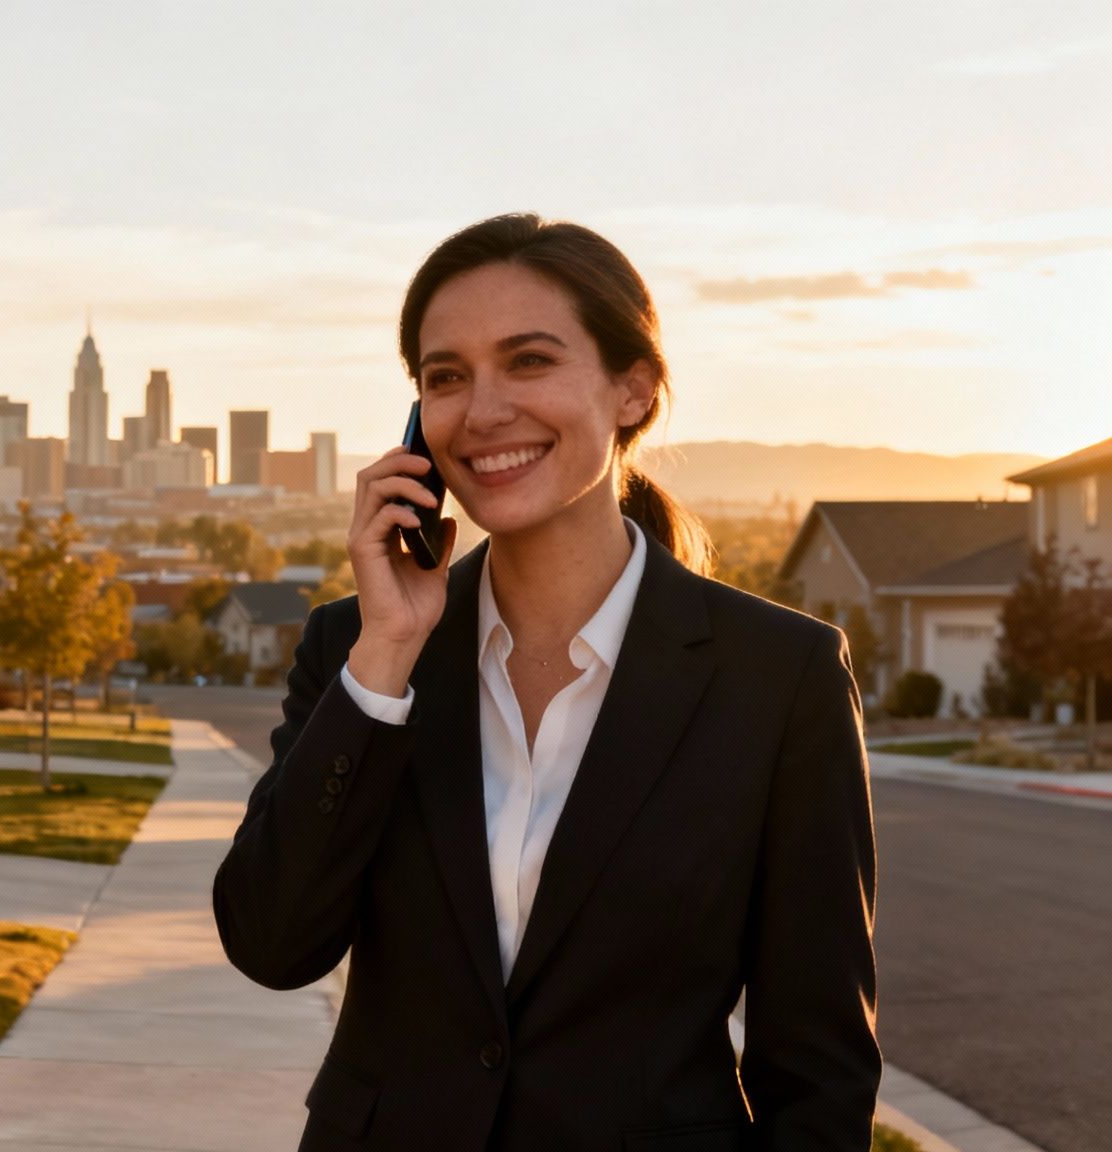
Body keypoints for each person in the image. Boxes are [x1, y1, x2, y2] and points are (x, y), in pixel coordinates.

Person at [213, 213, 879, 1151]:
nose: (482, 412)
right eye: (445, 378)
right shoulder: (358, 651)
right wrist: (386, 656)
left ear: (634, 389)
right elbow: (270, 945)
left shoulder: (778, 679)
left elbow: (819, 1068)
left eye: (528, 361)